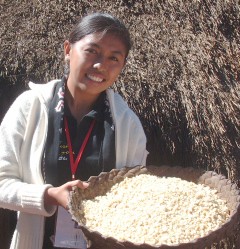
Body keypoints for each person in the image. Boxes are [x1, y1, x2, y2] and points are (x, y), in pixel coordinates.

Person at [0, 12, 148, 249]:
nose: (101, 65)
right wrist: (49, 196)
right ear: (68, 50)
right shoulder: (30, 108)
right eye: (92, 51)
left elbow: (137, 194)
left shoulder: (128, 125)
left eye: (114, 58)